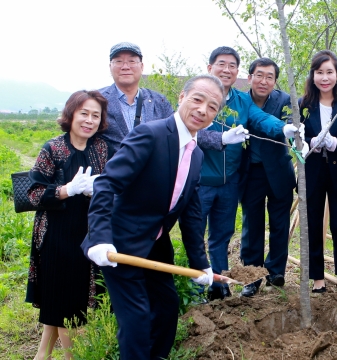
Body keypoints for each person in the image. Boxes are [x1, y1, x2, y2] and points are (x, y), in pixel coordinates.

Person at [81, 75, 243, 360]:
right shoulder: (151, 134)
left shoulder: (196, 156)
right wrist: (100, 239)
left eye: (212, 107)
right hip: (120, 242)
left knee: (167, 306)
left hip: (154, 242)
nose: (203, 110)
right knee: (137, 319)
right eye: (197, 99)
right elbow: (107, 184)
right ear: (181, 98)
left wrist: (201, 265)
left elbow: (192, 215)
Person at [199, 46, 306, 300]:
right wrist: (222, 138)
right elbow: (189, 127)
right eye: (221, 64)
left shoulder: (248, 101)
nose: (226, 70)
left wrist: (285, 129)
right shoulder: (200, 95)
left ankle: (227, 282)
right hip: (213, 177)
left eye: (231, 65)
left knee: (226, 234)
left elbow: (260, 119)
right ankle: (229, 279)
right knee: (209, 233)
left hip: (253, 176)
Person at [26, 90, 113, 360]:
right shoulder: (53, 148)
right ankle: (71, 357)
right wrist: (67, 190)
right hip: (56, 233)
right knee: (66, 301)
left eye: (95, 116)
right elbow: (32, 194)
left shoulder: (100, 148)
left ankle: (42, 356)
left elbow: (109, 184)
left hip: (87, 231)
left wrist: (94, 190)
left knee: (61, 297)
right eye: (83, 113)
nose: (89, 120)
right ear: (71, 114)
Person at [300, 50, 337, 293]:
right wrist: (309, 143)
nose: (324, 77)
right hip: (313, 170)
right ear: (313, 75)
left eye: (329, 72)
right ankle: (317, 278)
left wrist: (336, 143)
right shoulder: (305, 103)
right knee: (313, 224)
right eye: (319, 72)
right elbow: (298, 136)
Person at [239, 58, 296, 297]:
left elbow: (293, 122)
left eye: (269, 77)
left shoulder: (284, 100)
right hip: (250, 171)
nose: (264, 81)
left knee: (279, 223)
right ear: (250, 77)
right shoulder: (240, 101)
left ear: (275, 80)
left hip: (279, 170)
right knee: (252, 224)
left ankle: (276, 271)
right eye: (259, 75)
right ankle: (252, 276)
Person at [100, 42, 174, 150]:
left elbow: (178, 130)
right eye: (119, 61)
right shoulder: (98, 100)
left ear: (142, 66)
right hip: (109, 166)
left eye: (132, 61)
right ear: (110, 66)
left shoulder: (159, 101)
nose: (125, 67)